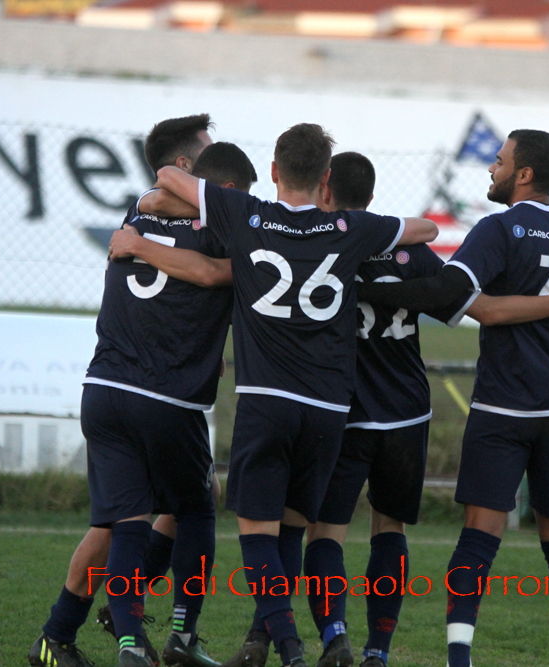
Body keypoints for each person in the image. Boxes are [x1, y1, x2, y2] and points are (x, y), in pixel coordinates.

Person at [142, 123, 437, 667]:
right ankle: (315, 642)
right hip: (328, 410)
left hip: (267, 401)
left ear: (274, 171)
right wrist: (370, 233)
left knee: (256, 535)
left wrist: (167, 203)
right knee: (294, 530)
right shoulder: (350, 227)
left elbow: (166, 176)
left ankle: (291, 651)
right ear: (326, 179)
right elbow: (427, 229)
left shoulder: (244, 213)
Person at [301, 152, 549, 667]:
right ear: (372, 199)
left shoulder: (316, 252)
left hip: (343, 411)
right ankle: (378, 650)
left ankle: (335, 635)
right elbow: (470, 306)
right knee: (389, 529)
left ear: (324, 190)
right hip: (406, 415)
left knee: (326, 531)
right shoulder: (411, 253)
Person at [26, 123, 252, 667]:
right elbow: (209, 271)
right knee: (192, 509)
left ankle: (90, 636)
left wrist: (142, 242)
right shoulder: (223, 224)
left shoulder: (137, 212)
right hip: (165, 397)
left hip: (105, 388)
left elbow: (157, 201)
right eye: (203, 151)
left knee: (125, 520)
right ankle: (177, 635)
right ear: (184, 168)